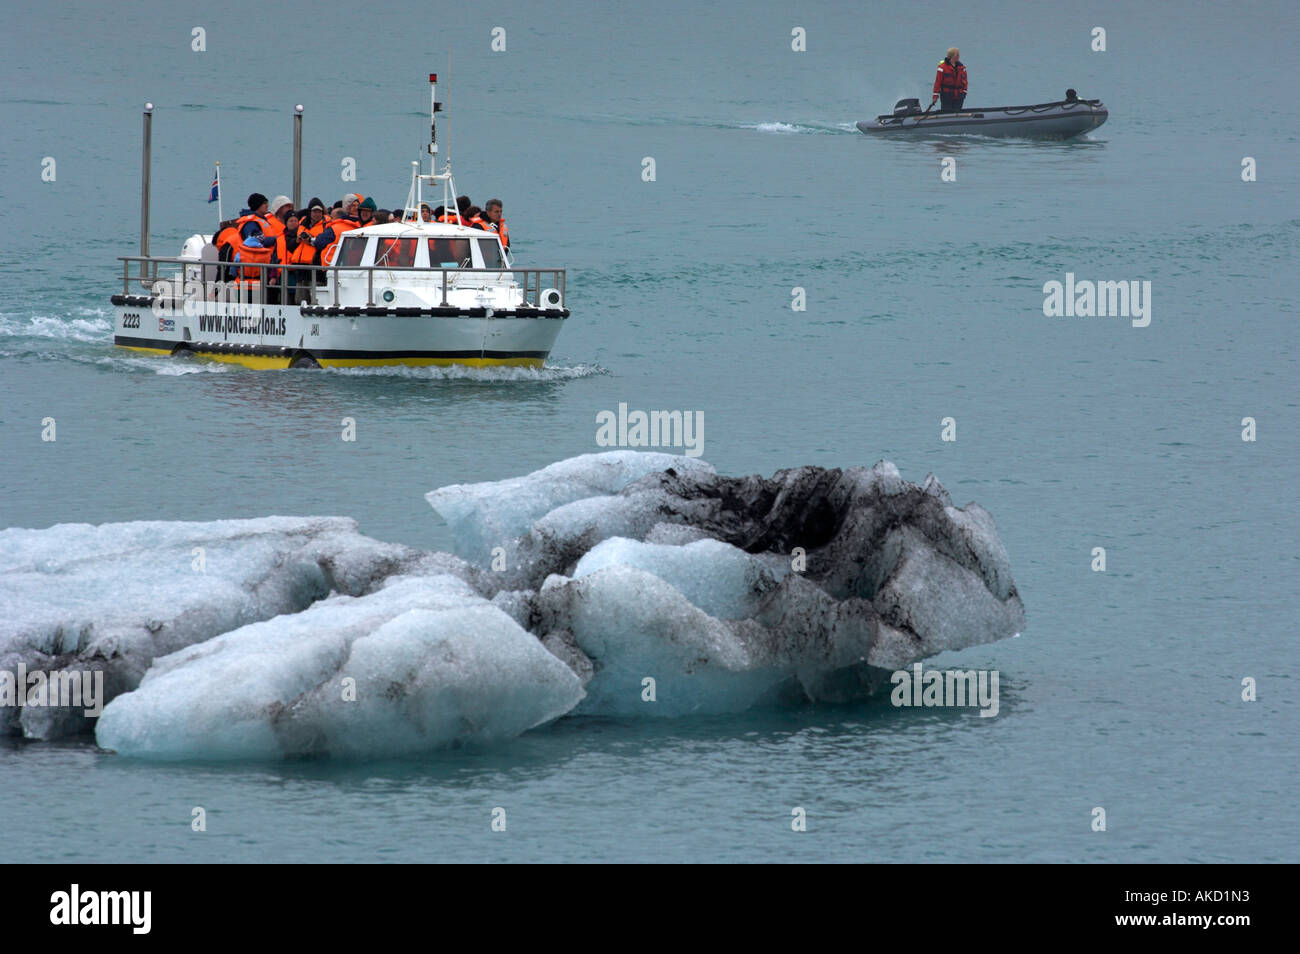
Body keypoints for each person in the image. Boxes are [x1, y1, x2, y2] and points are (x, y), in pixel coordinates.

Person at [932, 47, 967, 112]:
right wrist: (935, 95)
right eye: (957, 55)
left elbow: (965, 81)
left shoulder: (962, 67)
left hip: (959, 96)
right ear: (952, 56)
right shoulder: (942, 68)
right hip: (947, 95)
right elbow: (937, 82)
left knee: (958, 112)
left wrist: (964, 92)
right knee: (946, 112)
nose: (959, 56)